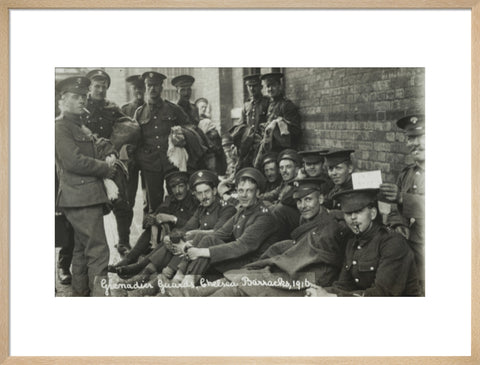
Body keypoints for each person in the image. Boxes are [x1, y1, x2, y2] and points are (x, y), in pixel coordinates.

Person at [163, 177, 348, 297]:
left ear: (321, 200)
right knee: (235, 279)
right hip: (287, 267)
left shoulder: (330, 226)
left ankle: (188, 294)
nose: (303, 205)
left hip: (302, 278)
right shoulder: (309, 219)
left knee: (240, 285)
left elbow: (322, 262)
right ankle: (189, 290)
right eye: (299, 201)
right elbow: (220, 233)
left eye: (309, 200)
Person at [122, 170, 237, 296]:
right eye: (199, 193)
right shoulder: (201, 208)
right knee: (178, 238)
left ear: (214, 191)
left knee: (192, 239)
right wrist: (170, 237)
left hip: (213, 256)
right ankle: (146, 275)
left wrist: (187, 239)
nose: (203, 196)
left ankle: (160, 277)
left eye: (207, 192)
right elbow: (187, 228)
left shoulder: (226, 208)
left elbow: (217, 234)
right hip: (196, 253)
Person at [55, 76, 116, 296]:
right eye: (75, 96)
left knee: (81, 250)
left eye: (83, 96)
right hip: (81, 197)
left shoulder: (78, 126)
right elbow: (73, 161)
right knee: (99, 252)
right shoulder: (61, 127)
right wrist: (105, 168)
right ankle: (100, 297)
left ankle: (82, 295)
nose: (82, 100)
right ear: (63, 100)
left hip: (82, 196)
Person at [306, 188, 420, 297]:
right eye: (348, 213)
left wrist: (333, 297)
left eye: (358, 212)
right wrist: (321, 292)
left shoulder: (392, 243)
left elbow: (382, 294)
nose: (353, 218)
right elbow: (344, 285)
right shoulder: (352, 242)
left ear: (373, 213)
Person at [179, 167, 282, 287]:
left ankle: (187, 282)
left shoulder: (264, 216)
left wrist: (201, 251)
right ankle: (186, 279)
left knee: (208, 246)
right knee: (209, 239)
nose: (243, 195)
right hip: (240, 258)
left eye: (249, 191)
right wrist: (193, 244)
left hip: (254, 265)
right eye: (240, 190)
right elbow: (220, 233)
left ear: (258, 193)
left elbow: (242, 246)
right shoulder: (243, 211)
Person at [108, 170, 198, 276]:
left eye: (181, 186)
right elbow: (149, 220)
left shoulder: (194, 202)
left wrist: (172, 218)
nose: (177, 191)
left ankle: (139, 266)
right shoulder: (170, 200)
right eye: (174, 187)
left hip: (184, 239)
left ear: (188, 186)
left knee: (171, 234)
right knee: (151, 228)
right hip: (167, 238)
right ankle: (129, 259)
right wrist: (152, 219)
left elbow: (192, 225)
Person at [85, 69, 134, 256]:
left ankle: (123, 241)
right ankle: (70, 258)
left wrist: (113, 145)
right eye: (96, 86)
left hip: (109, 160)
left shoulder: (112, 108)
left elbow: (130, 125)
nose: (100, 90)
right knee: (85, 209)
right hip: (87, 162)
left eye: (103, 86)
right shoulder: (81, 108)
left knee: (122, 202)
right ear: (90, 87)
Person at [380, 114, 425, 292]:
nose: (414, 143)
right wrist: (398, 223)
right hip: (409, 252)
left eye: (421, 137)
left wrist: (401, 198)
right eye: (410, 138)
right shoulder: (407, 173)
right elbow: (394, 210)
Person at [134, 71, 191, 212]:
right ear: (146, 87)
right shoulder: (139, 113)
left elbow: (189, 129)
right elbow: (135, 140)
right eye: (149, 85)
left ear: (161, 87)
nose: (152, 89)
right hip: (150, 165)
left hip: (171, 163)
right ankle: (154, 233)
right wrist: (142, 159)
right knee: (153, 204)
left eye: (156, 85)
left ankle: (177, 228)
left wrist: (181, 138)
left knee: (178, 198)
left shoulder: (173, 109)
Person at [253, 72, 301, 168]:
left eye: (273, 85)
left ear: (279, 86)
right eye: (268, 86)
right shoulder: (270, 105)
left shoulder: (287, 105)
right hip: (269, 148)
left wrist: (279, 124)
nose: (270, 89)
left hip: (282, 151)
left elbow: (295, 131)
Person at [230, 74, 270, 169]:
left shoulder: (267, 102)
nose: (252, 89)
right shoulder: (246, 105)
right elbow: (241, 124)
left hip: (261, 142)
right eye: (249, 86)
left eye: (255, 86)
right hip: (247, 143)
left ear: (260, 86)